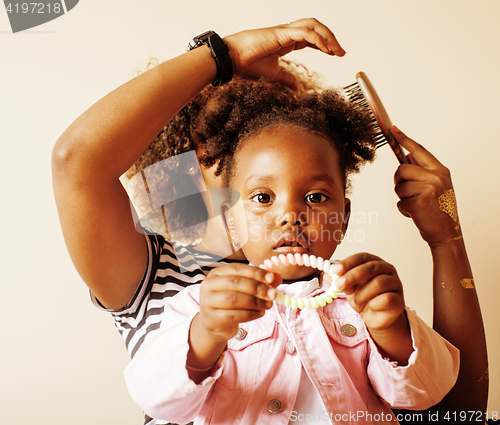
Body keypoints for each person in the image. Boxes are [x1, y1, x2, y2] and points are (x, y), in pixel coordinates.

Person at [51, 18, 487, 425]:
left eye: (312, 193)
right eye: (235, 129)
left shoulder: (346, 291)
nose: (288, 213)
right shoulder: (160, 274)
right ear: (192, 157)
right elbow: (78, 162)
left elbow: (453, 413)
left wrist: (446, 239)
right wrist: (224, 56)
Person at [123, 85, 460, 423]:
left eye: (315, 197)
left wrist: (392, 330)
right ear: (231, 221)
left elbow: (430, 392)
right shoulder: (199, 305)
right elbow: (157, 401)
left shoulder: (362, 297)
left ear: (343, 220)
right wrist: (206, 333)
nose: (290, 215)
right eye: (262, 198)